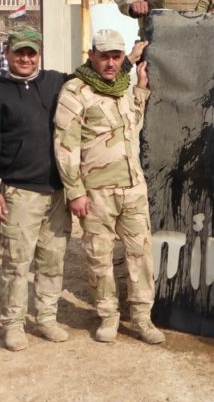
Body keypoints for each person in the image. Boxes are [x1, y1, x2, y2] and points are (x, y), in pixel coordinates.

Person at [53, 29, 165, 345]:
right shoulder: (75, 91)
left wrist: (140, 91)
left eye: (117, 56)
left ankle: (142, 317)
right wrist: (74, 191)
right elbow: (65, 144)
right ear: (92, 56)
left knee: (140, 254)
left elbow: (132, 126)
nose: (111, 63)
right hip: (96, 193)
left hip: (132, 188)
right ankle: (107, 316)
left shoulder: (122, 89)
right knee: (99, 257)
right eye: (105, 56)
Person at [0, 27, 72, 351]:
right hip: (20, 193)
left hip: (59, 192)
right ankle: (13, 324)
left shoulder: (57, 82)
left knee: (52, 259)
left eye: (31, 52)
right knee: (16, 263)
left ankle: (46, 318)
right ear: (7, 53)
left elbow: (97, 77)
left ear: (39, 54)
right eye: (19, 51)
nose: (25, 58)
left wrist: (131, 62)